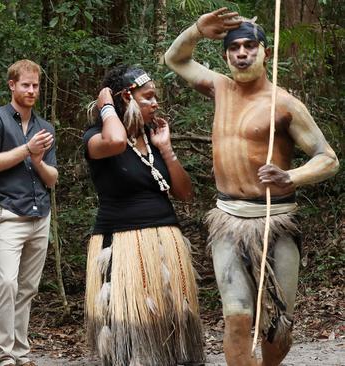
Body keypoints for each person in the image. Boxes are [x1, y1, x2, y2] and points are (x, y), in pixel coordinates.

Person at [164, 8, 339, 366]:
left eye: (249, 46)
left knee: (278, 326)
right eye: (234, 48)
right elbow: (175, 58)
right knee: (237, 315)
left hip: (277, 222)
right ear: (226, 54)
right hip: (229, 219)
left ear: (265, 53)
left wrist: (291, 177)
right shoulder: (219, 88)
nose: (241, 53)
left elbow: (328, 158)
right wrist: (197, 29)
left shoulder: (285, 104)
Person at [83, 65, 203, 366]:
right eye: (148, 97)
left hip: (165, 241)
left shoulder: (153, 138)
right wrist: (108, 105)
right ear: (128, 97)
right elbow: (116, 142)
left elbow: (185, 193)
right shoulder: (96, 137)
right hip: (122, 247)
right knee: (132, 343)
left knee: (171, 337)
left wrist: (167, 150)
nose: (156, 103)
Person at [0, 59, 58, 366]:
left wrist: (37, 159)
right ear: (12, 85)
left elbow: (52, 178)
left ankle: (21, 353)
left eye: (36, 85)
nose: (32, 91)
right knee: (8, 283)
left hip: (40, 215)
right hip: (9, 213)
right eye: (26, 84)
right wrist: (27, 149)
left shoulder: (45, 128)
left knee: (28, 288)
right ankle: (4, 354)